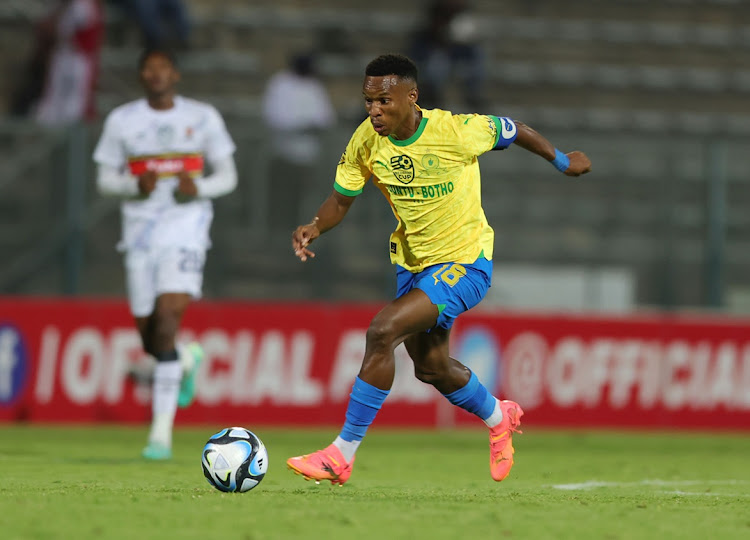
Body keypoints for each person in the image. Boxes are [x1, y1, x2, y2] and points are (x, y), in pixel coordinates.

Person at [286, 53, 591, 485]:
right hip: (413, 264)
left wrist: (562, 160)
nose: (374, 110)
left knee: (382, 330)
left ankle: (340, 455)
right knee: (431, 367)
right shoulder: (365, 142)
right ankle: (498, 416)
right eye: (368, 101)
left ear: (411, 97)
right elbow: (340, 200)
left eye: (384, 101)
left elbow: (512, 129)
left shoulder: (456, 130)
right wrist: (315, 226)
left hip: (465, 262)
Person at [92, 48, 238, 460]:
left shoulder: (202, 117)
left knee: (169, 318)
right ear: (141, 76)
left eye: (163, 67)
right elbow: (105, 179)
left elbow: (228, 175)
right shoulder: (122, 120)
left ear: (174, 74)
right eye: (148, 68)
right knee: (151, 336)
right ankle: (186, 360)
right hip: (138, 234)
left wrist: (201, 188)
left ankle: (160, 435)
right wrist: (130, 187)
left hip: (186, 230)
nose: (155, 74)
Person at [261, 51, 336, 235]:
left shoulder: (314, 86)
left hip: (308, 159)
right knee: (280, 204)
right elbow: (275, 118)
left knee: (305, 205)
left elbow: (326, 118)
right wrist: (303, 125)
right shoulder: (280, 84)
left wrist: (312, 126)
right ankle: (277, 240)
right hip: (283, 155)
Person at [26, 0, 103, 127]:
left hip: (78, 59)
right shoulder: (59, 4)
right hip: (61, 55)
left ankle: (72, 138)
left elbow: (51, 29)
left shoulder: (85, 4)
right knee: (53, 101)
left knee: (75, 104)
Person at [408, 0, 486, 110]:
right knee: (437, 66)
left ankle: (472, 100)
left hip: (459, 62)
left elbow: (471, 59)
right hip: (432, 77)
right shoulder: (424, 37)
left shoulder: (466, 36)